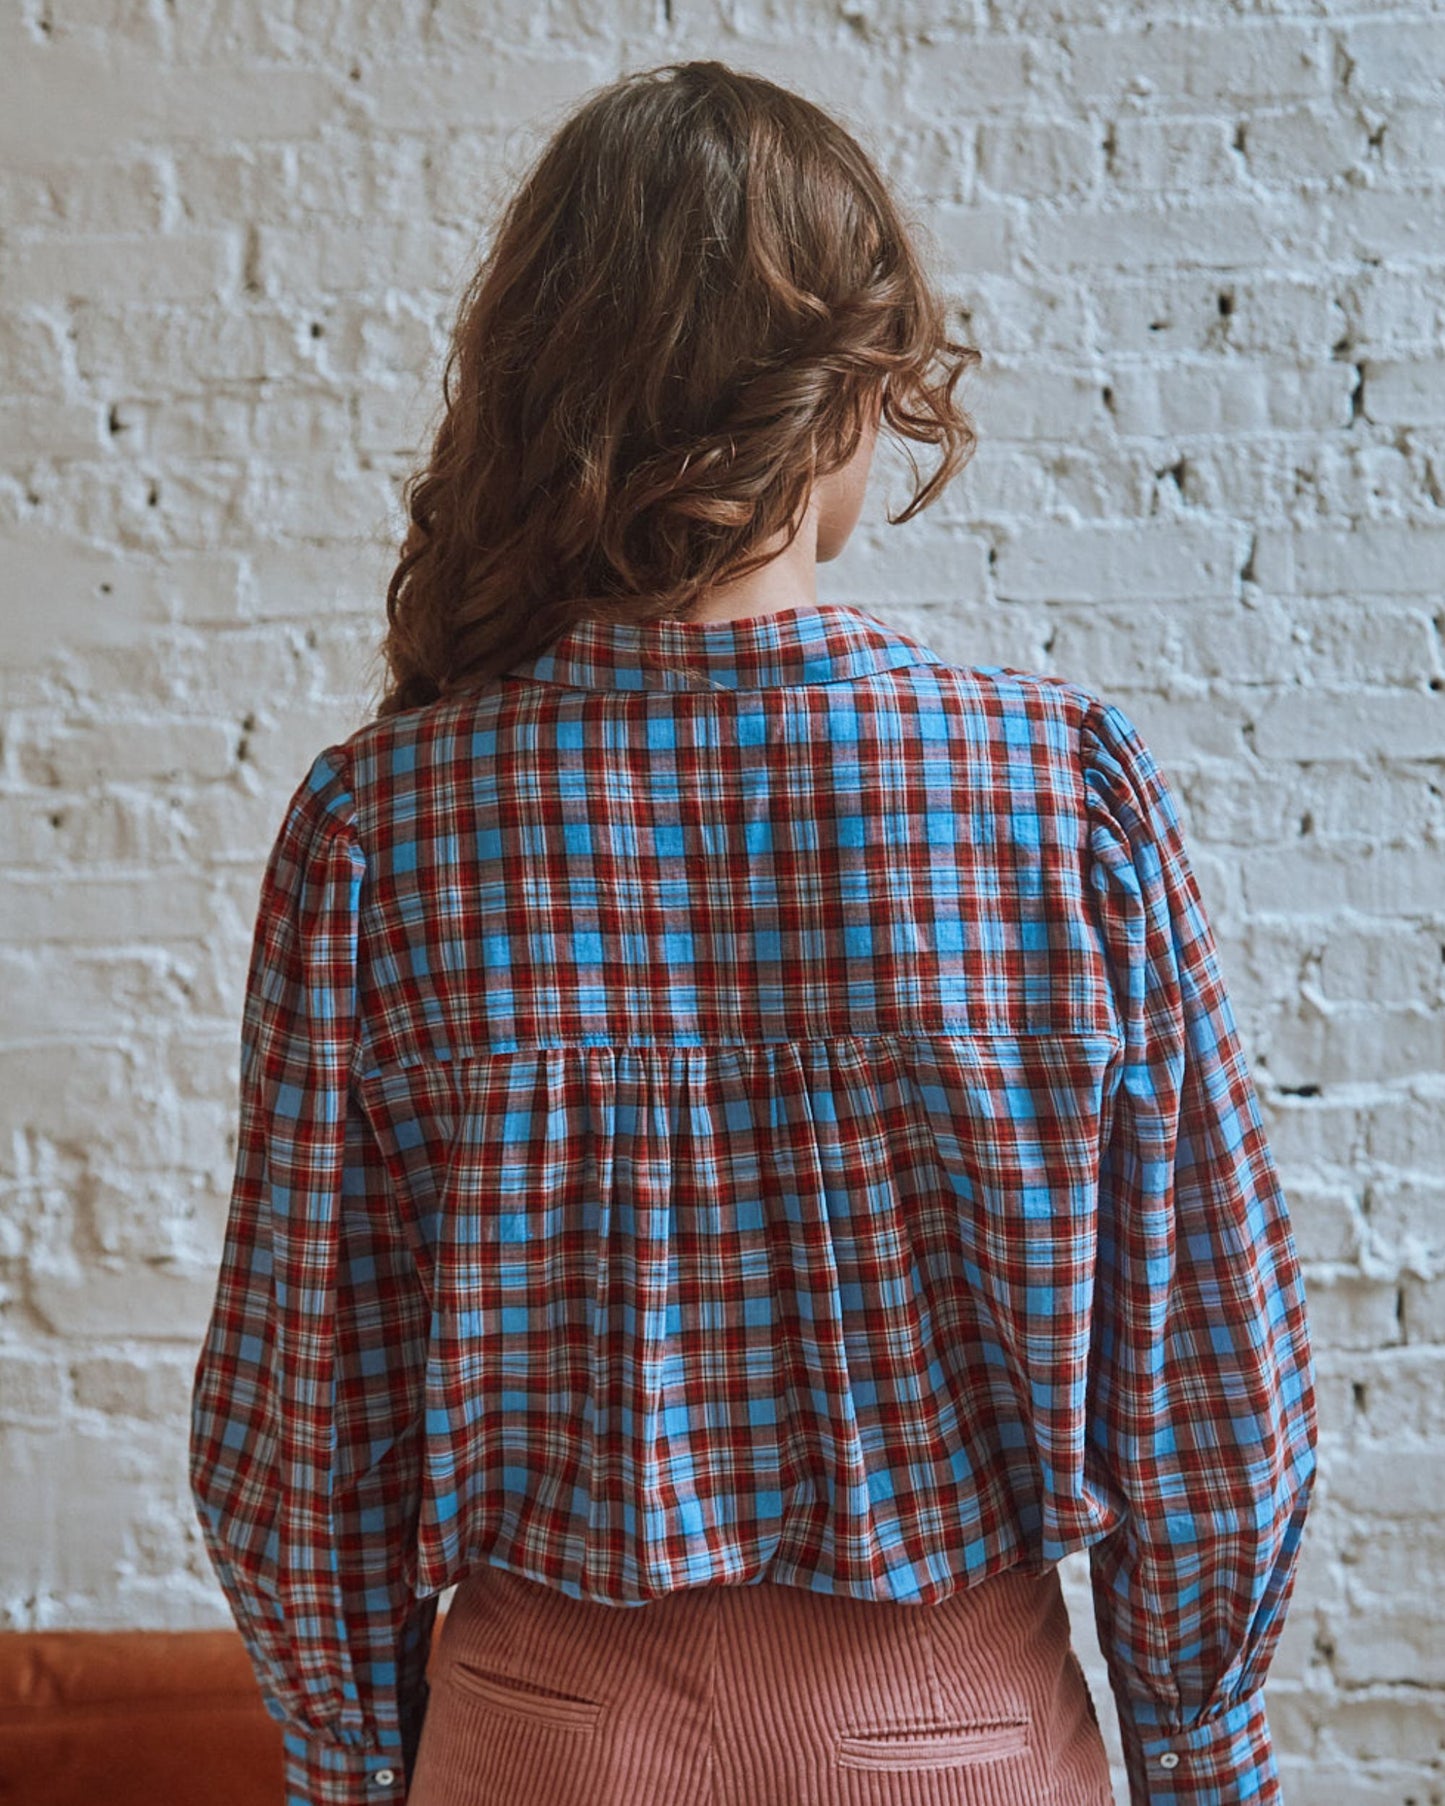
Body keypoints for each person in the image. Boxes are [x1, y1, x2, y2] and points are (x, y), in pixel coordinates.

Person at [187, 57, 1319, 1806]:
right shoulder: (1054, 794)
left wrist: (349, 1764)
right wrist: (1203, 1747)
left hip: (536, 1748)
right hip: (954, 1745)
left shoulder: (380, 826)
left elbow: (298, 1409)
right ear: (849, 398)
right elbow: (1205, 1377)